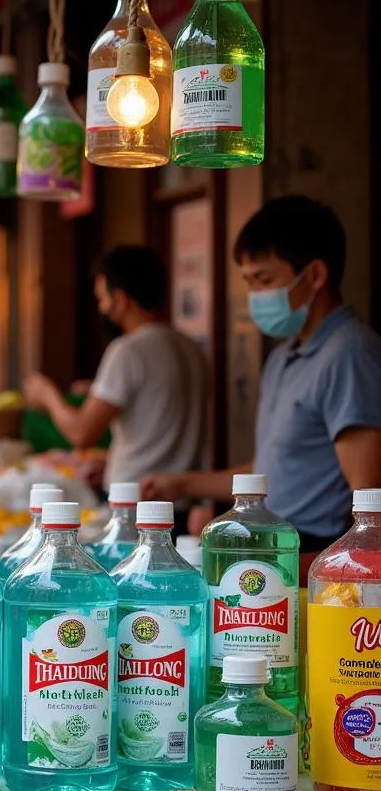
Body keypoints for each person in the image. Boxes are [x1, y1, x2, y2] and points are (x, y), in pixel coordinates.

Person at [143, 196, 381, 579]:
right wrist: (183, 484)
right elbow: (276, 466)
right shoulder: (283, 357)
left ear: (315, 276)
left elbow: (369, 506)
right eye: (248, 282)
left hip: (308, 557)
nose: (254, 295)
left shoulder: (349, 354)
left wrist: (296, 570)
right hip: (271, 549)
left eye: (265, 280)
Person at [23, 245, 207, 501]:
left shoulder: (128, 351)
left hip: (136, 500)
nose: (101, 308)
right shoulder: (190, 348)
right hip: (184, 498)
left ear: (121, 299)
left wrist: (47, 394)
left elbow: (81, 434)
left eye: (102, 298)